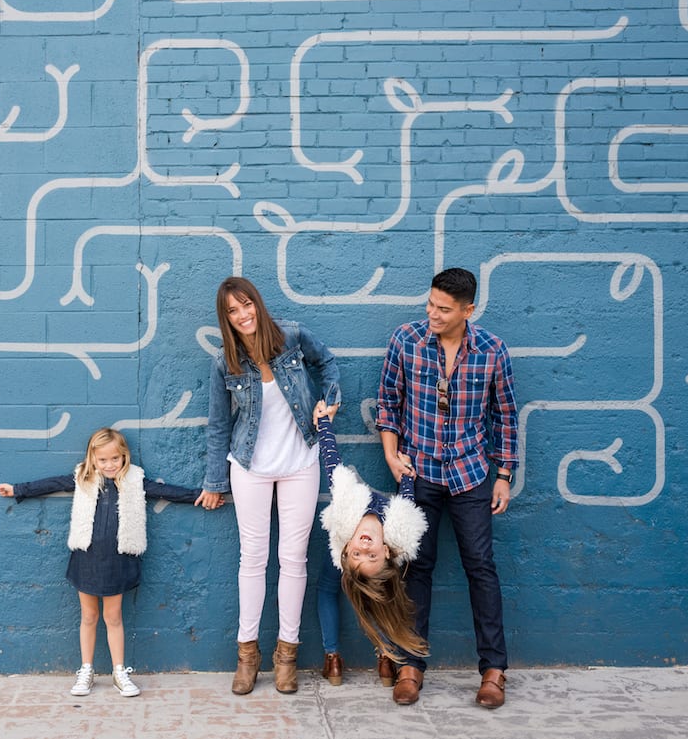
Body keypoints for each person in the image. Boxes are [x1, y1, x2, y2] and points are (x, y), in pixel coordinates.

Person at [375, 267, 518, 709]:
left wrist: (504, 474)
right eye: (430, 304)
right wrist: (390, 454)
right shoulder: (406, 339)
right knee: (416, 569)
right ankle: (410, 665)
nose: (432, 313)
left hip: (471, 474)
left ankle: (493, 669)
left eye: (443, 308)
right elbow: (388, 402)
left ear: (467, 310)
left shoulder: (492, 351)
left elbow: (506, 416)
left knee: (481, 567)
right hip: (417, 473)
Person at [196, 276, 341, 696]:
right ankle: (247, 656)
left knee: (294, 559)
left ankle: (287, 655)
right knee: (252, 559)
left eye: (246, 305)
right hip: (250, 467)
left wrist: (328, 399)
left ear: (257, 303)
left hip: (301, 461)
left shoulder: (292, 337)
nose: (243, 316)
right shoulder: (226, 362)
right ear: (226, 319)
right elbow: (219, 425)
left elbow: (328, 363)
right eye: (232, 311)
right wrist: (214, 482)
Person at [0, 427, 213, 698]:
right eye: (103, 460)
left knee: (113, 617)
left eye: (115, 458)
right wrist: (17, 489)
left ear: (124, 457)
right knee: (88, 616)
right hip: (86, 558)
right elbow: (50, 484)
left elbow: (166, 491)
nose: (110, 465)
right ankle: (86, 670)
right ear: (93, 459)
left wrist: (202, 495)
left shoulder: (135, 480)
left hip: (118, 561)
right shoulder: (83, 478)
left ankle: (119, 671)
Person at [314, 414, 428, 687]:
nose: (364, 548)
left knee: (367, 591)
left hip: (347, 549)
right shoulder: (398, 529)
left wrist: (323, 425)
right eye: (368, 553)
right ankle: (378, 658)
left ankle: (343, 658)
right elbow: (408, 497)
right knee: (364, 589)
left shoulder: (350, 526)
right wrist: (408, 472)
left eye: (360, 553)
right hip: (352, 552)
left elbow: (333, 464)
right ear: (387, 551)